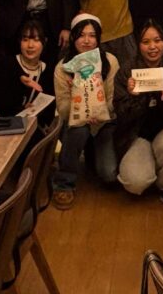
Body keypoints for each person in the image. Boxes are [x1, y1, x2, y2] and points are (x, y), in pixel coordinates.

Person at [114, 20, 163, 203]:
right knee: (134, 182)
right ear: (138, 44)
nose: (152, 47)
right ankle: (149, 165)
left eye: (157, 40)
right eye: (146, 42)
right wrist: (134, 96)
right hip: (136, 134)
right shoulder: (127, 71)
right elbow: (121, 116)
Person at [52, 14, 120, 209]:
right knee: (79, 131)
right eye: (81, 35)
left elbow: (113, 100)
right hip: (75, 125)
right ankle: (64, 183)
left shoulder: (110, 61)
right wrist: (78, 94)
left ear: (98, 39)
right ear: (73, 37)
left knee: (109, 174)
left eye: (92, 35)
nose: (87, 41)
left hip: (104, 123)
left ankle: (91, 152)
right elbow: (62, 110)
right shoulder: (62, 68)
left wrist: (96, 112)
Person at [0, 18, 54, 121]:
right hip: (5, 123)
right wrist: (22, 108)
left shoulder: (47, 70)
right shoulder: (6, 65)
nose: (30, 45)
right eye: (25, 40)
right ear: (19, 41)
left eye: (36, 40)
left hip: (34, 126)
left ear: (45, 42)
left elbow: (49, 110)